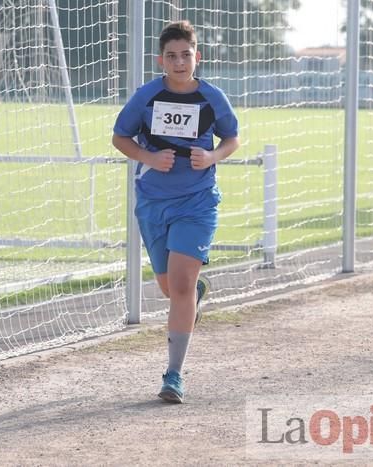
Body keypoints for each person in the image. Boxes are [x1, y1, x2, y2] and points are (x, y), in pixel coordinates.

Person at [112, 20, 239, 403]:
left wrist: (212, 155)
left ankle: (173, 375)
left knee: (180, 287)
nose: (180, 62)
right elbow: (119, 137)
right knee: (172, 289)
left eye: (186, 54)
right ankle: (195, 293)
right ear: (161, 60)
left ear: (197, 56)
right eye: (172, 56)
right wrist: (149, 156)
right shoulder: (146, 96)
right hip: (153, 201)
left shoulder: (212, 97)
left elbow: (232, 138)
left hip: (198, 202)